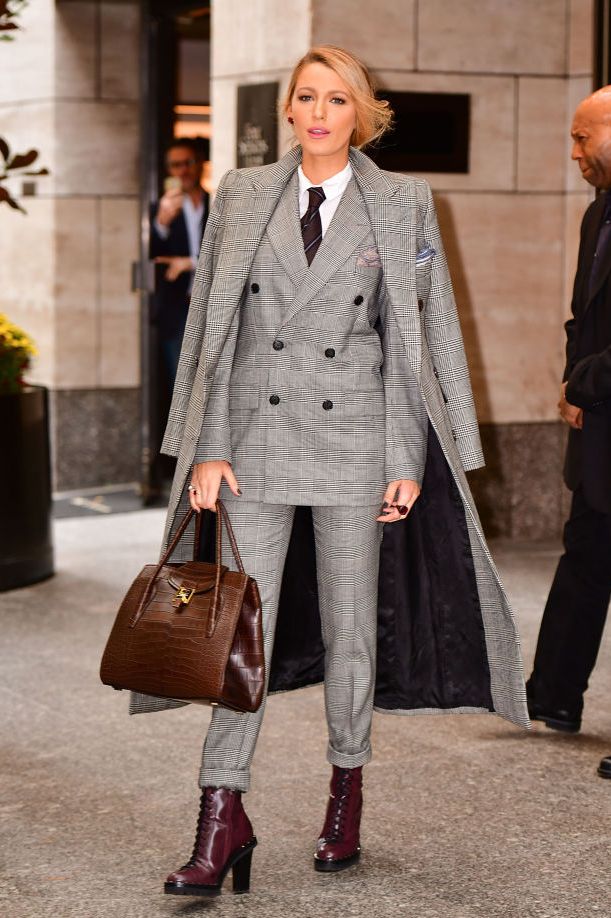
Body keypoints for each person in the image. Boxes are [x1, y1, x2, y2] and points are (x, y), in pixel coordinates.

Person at [130, 46, 529, 897]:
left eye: (336, 99)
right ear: (288, 109)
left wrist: (407, 457)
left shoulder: (402, 201)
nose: (318, 113)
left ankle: (344, 794)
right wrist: (206, 444)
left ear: (362, 114)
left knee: (352, 635)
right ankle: (220, 815)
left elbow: (416, 333)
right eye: (306, 97)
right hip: (251, 446)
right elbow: (214, 328)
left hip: (355, 443)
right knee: (235, 635)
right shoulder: (242, 192)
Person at [525, 88, 611, 780]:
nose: (574, 152)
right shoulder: (596, 214)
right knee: (586, 551)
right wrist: (570, 381)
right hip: (599, 424)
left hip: (602, 396)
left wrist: (584, 382)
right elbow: (580, 316)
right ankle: (552, 695)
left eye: (583, 137)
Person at [150, 138, 210, 389]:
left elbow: (228, 253)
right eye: (176, 165)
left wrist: (190, 262)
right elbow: (152, 254)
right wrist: (161, 223)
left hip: (212, 306)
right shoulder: (161, 208)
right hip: (177, 310)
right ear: (169, 170)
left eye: (188, 162)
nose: (183, 170)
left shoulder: (218, 204)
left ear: (201, 164)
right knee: (182, 385)